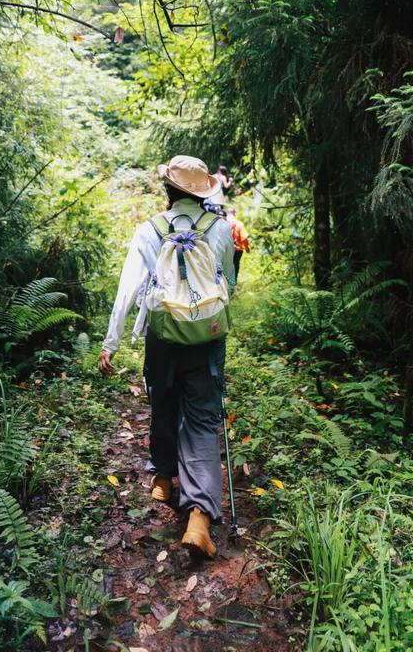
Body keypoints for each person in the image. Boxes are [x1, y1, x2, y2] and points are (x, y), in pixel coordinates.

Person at [98, 155, 236, 558]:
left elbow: (128, 289)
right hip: (206, 338)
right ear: (201, 192)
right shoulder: (220, 229)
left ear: (168, 190)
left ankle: (163, 478)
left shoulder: (149, 230)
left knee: (163, 400)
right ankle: (199, 519)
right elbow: (227, 282)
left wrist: (111, 342)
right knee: (201, 418)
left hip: (162, 337)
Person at [225, 207, 250, 280]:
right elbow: (244, 238)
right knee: (235, 264)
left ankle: (225, 281)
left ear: (227, 213)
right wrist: (247, 248)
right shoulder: (239, 224)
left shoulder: (223, 222)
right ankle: (233, 281)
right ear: (234, 213)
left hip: (226, 248)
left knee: (225, 264)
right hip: (237, 249)